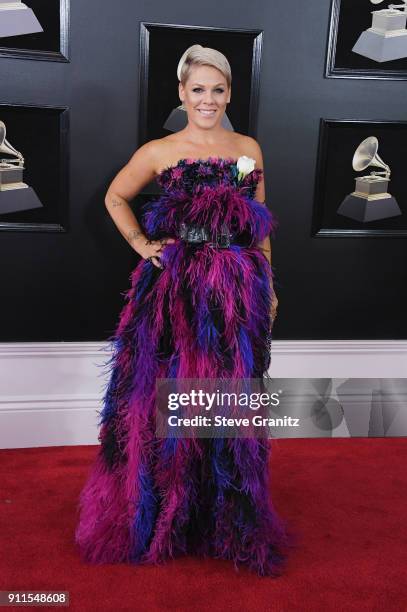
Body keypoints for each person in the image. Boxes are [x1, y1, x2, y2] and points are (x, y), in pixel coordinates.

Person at [75, 43, 294, 577]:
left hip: (238, 288)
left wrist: (268, 282)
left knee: (228, 400)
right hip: (177, 290)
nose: (208, 99)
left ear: (229, 94)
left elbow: (259, 221)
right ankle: (164, 514)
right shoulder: (159, 150)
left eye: (218, 90)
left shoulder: (248, 146)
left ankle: (223, 519)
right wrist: (143, 244)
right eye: (198, 89)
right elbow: (115, 196)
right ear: (181, 92)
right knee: (163, 398)